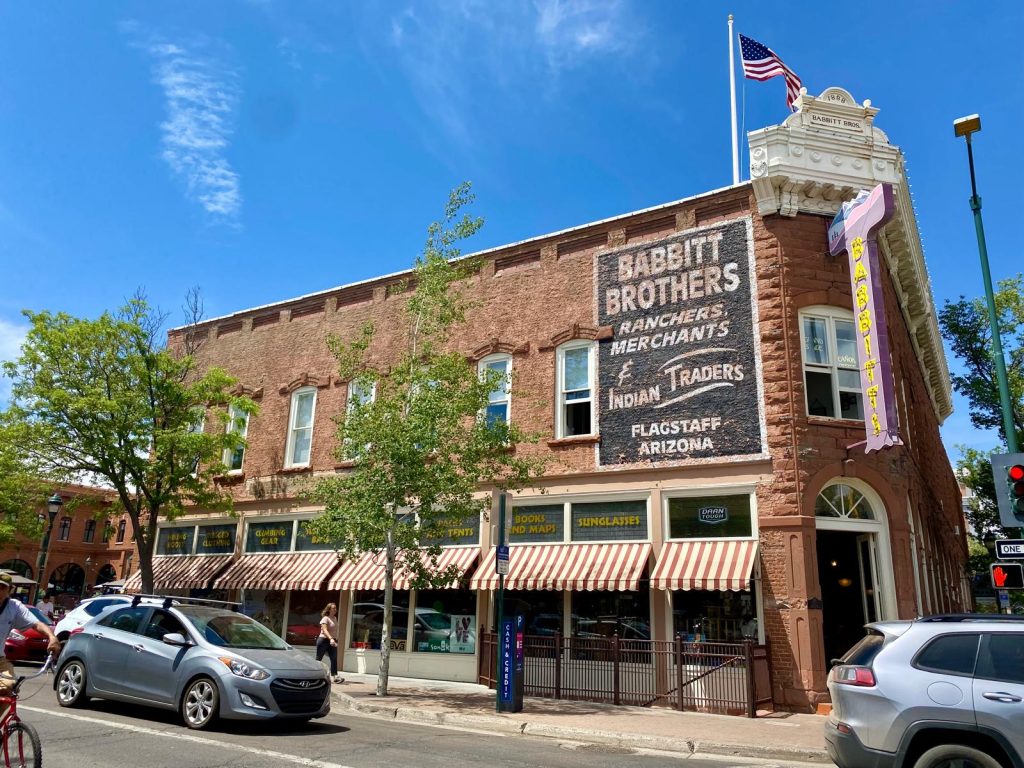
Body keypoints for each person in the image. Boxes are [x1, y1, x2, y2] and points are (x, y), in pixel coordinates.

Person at [0, 573, 60, 691]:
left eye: (3, 587)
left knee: (9, 688)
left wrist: (51, 636)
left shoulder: (14, 606)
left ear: (10, 590)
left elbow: (36, 624)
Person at [316, 602, 343, 684]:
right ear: (329, 609)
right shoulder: (325, 618)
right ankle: (315, 675)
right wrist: (331, 638)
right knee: (319, 659)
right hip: (323, 640)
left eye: (335, 608)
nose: (335, 610)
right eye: (333, 608)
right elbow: (324, 630)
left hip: (333, 640)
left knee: (334, 658)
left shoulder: (334, 618)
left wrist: (334, 639)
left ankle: (335, 676)